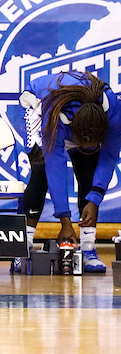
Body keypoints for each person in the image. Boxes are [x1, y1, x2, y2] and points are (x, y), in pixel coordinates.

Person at [17, 71, 121, 274]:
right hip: (40, 103)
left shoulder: (114, 112)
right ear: (73, 131)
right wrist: (65, 221)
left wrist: (95, 199)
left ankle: (89, 248)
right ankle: (23, 247)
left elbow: (108, 157)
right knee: (41, 175)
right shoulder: (54, 113)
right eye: (80, 143)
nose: (82, 147)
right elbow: (54, 166)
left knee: (89, 174)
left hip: (81, 119)